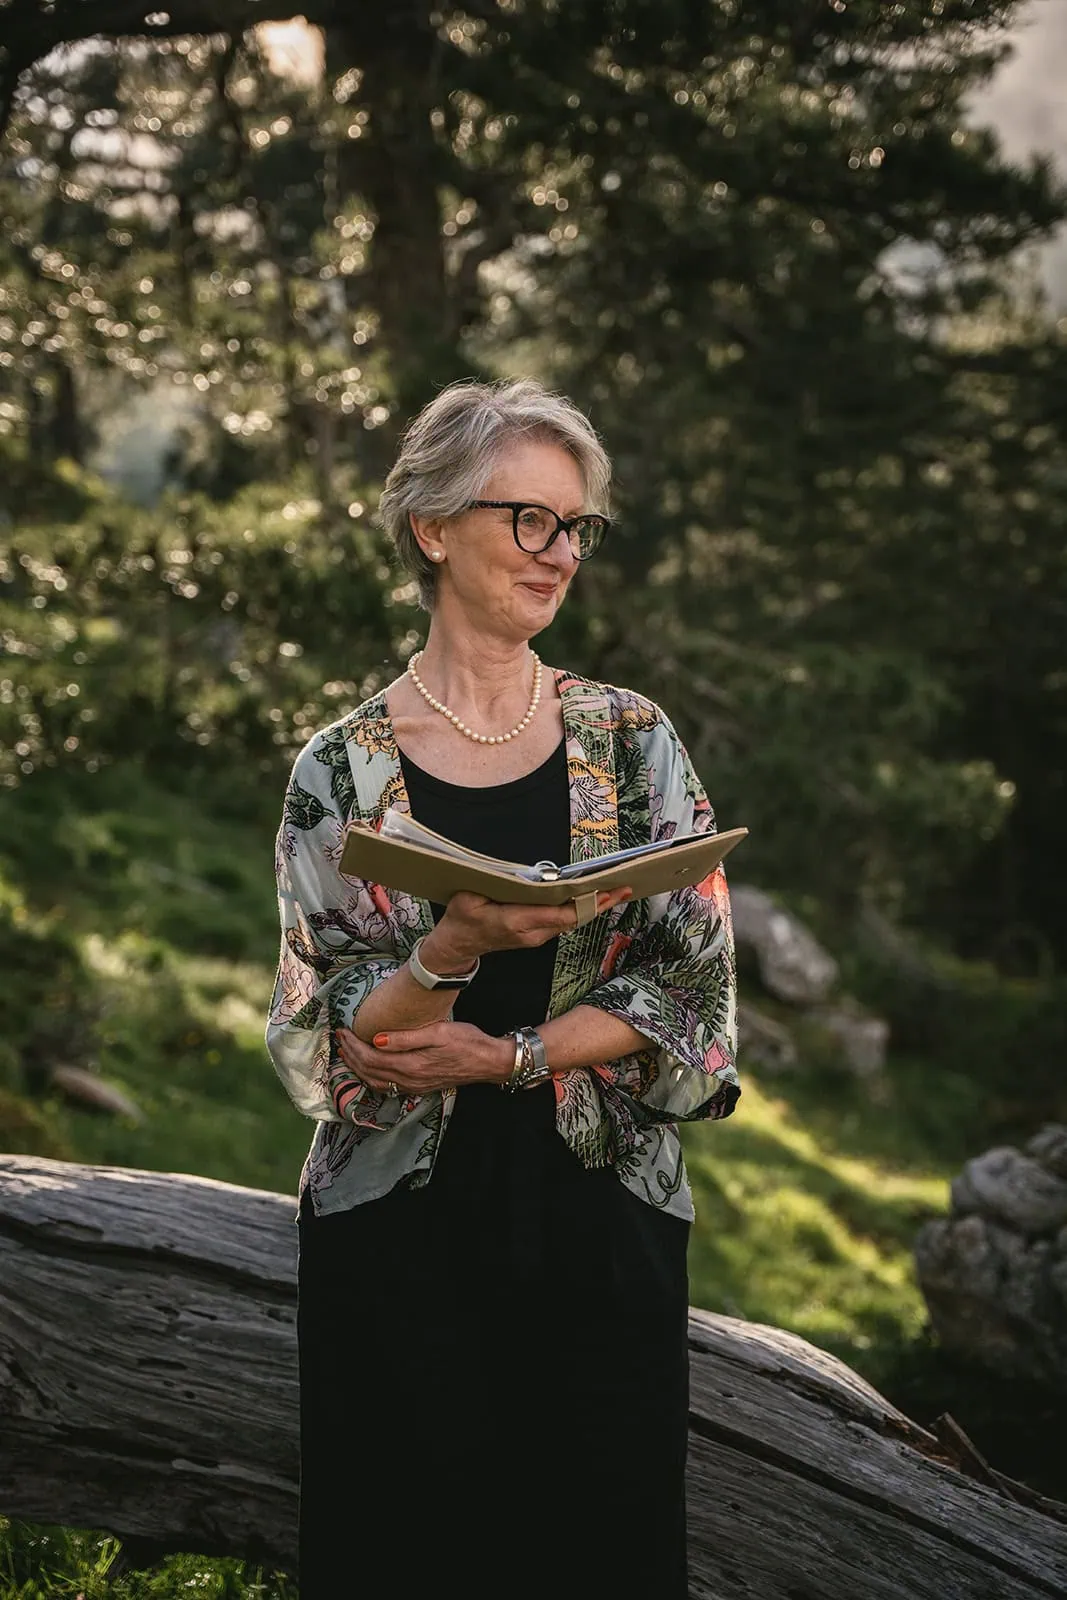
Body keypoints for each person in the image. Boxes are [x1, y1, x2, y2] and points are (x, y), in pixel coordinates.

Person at [265, 378, 740, 1599]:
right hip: (397, 1237)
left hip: (602, 1223)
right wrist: (451, 949)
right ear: (432, 527)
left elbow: (693, 992)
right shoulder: (339, 769)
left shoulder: (630, 739)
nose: (559, 551)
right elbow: (336, 1035)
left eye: (575, 526)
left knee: (598, 1552)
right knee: (400, 1552)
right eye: (529, 518)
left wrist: (507, 1056)